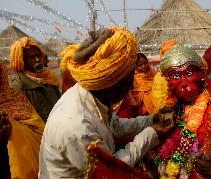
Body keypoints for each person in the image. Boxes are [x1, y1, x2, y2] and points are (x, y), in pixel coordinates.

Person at [38, 27, 175, 178]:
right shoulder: (77, 127)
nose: (131, 87)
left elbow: (114, 126)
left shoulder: (94, 94)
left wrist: (151, 120)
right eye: (128, 82)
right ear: (110, 82)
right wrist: (152, 133)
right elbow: (112, 167)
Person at [151, 45, 211, 178]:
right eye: (175, 76)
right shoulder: (170, 111)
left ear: (202, 74)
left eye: (189, 73)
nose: (184, 83)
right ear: (168, 82)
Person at [0, 59, 45, 179]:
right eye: (32, 57)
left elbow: (39, 128)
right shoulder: (19, 87)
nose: (37, 60)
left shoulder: (15, 97)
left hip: (41, 165)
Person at [9, 37, 61, 122]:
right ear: (22, 61)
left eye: (38, 55)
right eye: (32, 57)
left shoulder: (50, 78)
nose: (37, 60)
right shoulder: (17, 88)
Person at [114, 52, 156, 118]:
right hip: (142, 113)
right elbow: (132, 99)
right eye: (140, 65)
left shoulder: (154, 74)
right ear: (135, 67)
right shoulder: (133, 79)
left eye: (145, 63)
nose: (144, 66)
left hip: (158, 107)